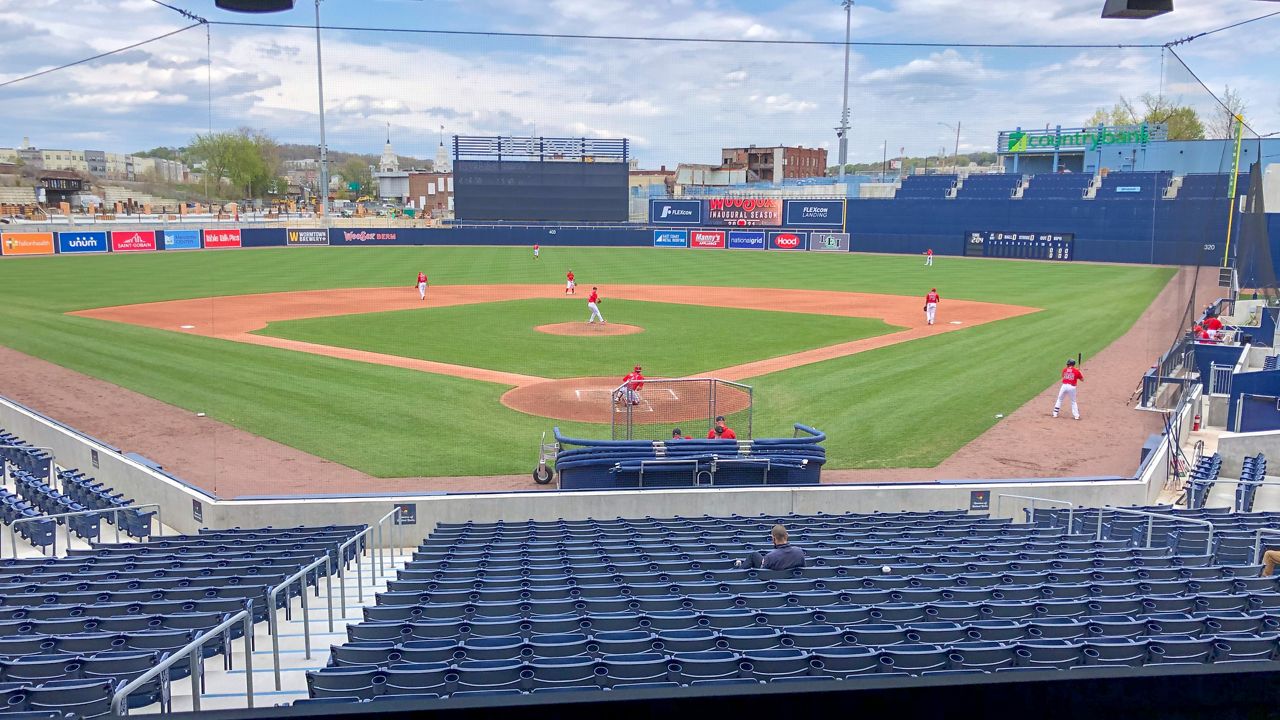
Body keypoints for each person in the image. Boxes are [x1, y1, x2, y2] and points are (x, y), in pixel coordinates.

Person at [734, 524, 806, 570]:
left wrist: (764, 562)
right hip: (792, 583)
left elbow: (762, 575)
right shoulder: (799, 552)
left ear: (773, 538)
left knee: (753, 555)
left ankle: (738, 572)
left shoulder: (770, 557)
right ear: (787, 536)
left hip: (774, 584)